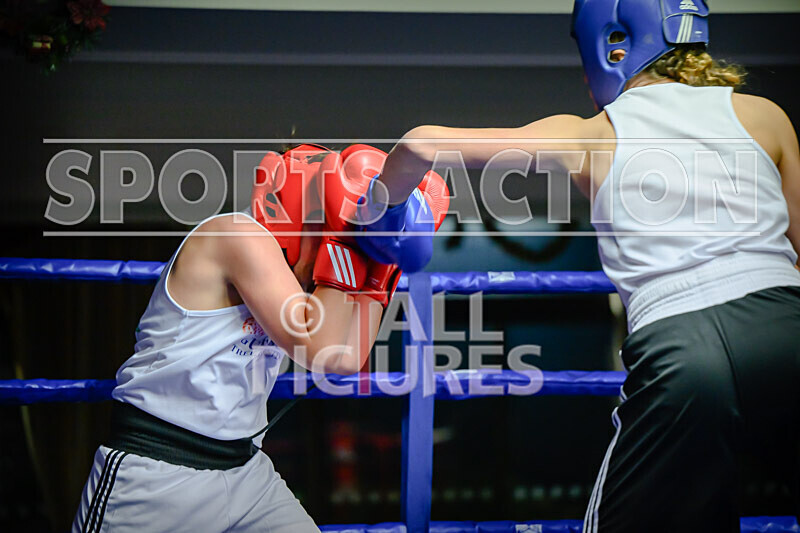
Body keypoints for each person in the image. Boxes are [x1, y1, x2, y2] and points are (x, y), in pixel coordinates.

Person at [360, 0, 800, 531]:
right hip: (786, 330)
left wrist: (376, 216)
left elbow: (421, 143)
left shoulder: (590, 133)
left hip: (684, 350)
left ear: (610, 42)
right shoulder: (765, 115)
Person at [72, 143, 447, 533]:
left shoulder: (299, 276)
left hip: (246, 471)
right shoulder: (235, 235)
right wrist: (347, 237)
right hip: (160, 469)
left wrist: (380, 263)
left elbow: (345, 357)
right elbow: (319, 346)